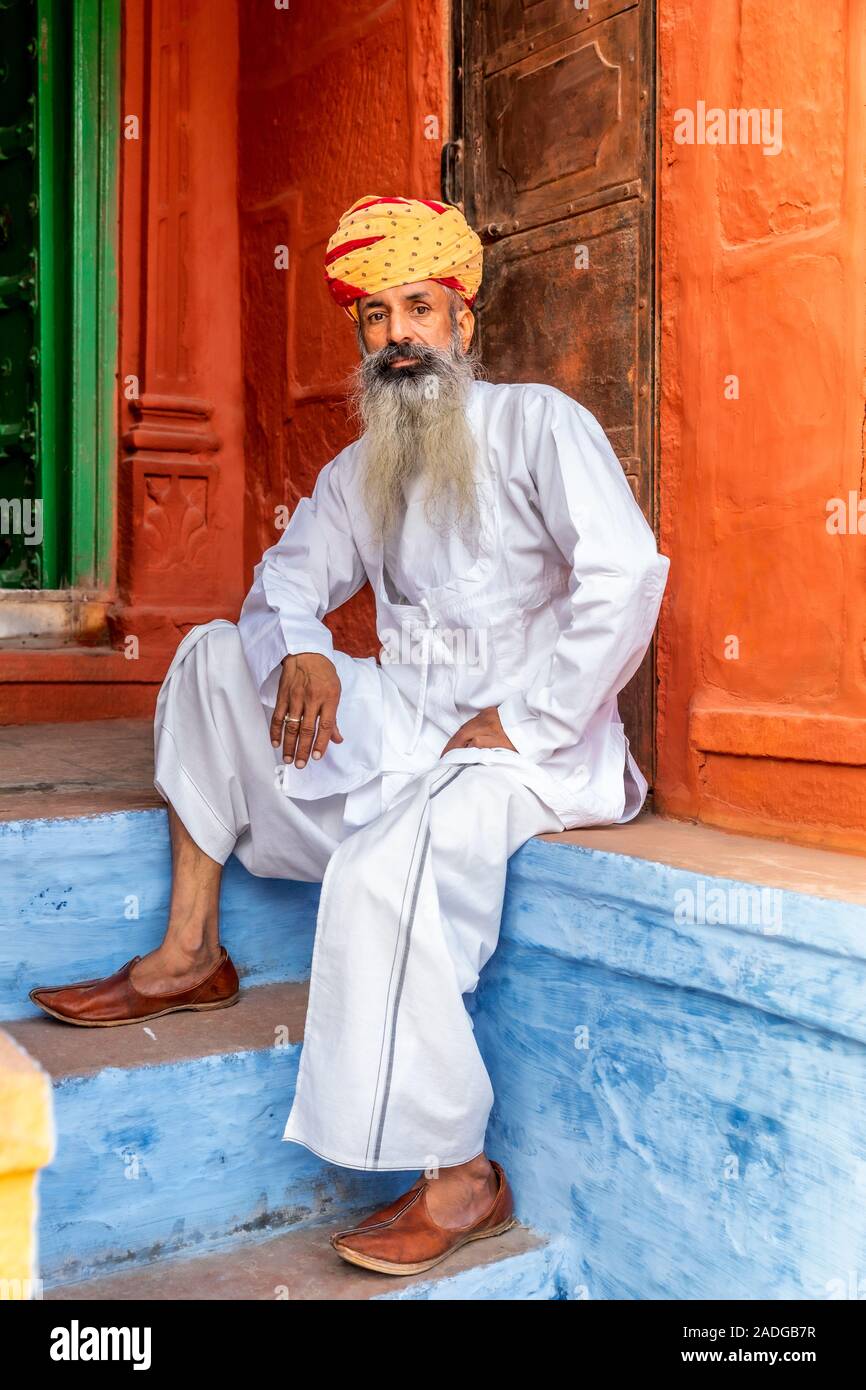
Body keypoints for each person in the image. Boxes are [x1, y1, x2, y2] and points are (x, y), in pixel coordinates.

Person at [30, 194, 670, 1277]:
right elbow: (283, 581)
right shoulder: (362, 466)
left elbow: (625, 573)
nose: (398, 335)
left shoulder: (534, 425)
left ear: (462, 323)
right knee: (210, 661)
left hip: (527, 749)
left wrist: (524, 718)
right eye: (375, 317)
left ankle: (458, 1173)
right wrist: (305, 652)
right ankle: (190, 953)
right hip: (409, 725)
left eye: (418, 307)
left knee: (385, 866)